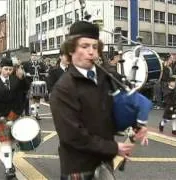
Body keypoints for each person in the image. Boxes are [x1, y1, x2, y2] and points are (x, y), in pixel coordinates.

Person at [50, 21, 147, 180]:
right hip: (79, 166)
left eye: (95, 47)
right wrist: (113, 147)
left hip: (103, 162)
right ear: (71, 50)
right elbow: (72, 136)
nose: (91, 52)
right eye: (85, 46)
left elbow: (114, 111)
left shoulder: (105, 77)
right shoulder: (63, 88)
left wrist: (136, 124)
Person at [0, 57, 29, 179]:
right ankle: (8, 168)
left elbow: (25, 92)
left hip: (14, 114)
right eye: (5, 69)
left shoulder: (16, 80)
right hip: (0, 116)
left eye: (10, 69)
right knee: (6, 142)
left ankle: (9, 162)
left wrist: (23, 77)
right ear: (0, 68)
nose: (8, 72)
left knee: (13, 142)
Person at [22, 50, 47, 119]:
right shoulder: (26, 64)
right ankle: (34, 114)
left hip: (38, 84)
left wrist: (45, 74)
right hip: (30, 83)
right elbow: (22, 72)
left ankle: (36, 113)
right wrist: (26, 74)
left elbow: (45, 71)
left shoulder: (40, 64)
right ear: (30, 56)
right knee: (32, 98)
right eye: (33, 55)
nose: (34, 57)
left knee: (37, 99)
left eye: (35, 55)